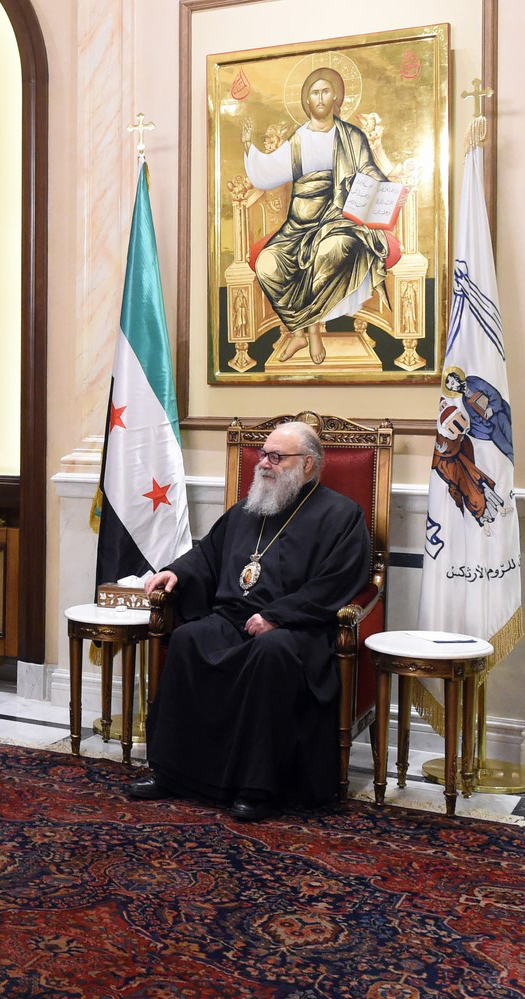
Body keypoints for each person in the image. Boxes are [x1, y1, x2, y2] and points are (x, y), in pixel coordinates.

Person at [125, 421, 370, 821]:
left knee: (270, 652)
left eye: (277, 457)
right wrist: (177, 573)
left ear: (307, 464)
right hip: (234, 618)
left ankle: (257, 788)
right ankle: (172, 772)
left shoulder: (342, 515)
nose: (264, 463)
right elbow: (208, 555)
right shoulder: (248, 509)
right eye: (263, 454)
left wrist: (277, 616)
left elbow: (338, 582)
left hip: (297, 630)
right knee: (189, 639)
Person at [242, 67, 393, 364]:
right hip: (299, 225)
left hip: (339, 221)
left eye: (325, 91)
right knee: (266, 265)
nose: (320, 98)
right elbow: (269, 172)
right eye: (314, 92)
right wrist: (248, 146)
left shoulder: (351, 136)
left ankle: (311, 333)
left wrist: (370, 189)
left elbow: (370, 173)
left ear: (336, 97)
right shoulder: (299, 139)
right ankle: (298, 332)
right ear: (307, 100)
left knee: (330, 251)